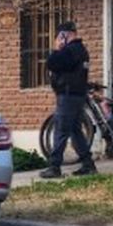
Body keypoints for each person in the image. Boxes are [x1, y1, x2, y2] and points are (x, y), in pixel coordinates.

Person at [40, 21, 96, 179]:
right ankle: (88, 164)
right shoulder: (81, 50)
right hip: (77, 96)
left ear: (64, 35)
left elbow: (51, 63)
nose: (57, 39)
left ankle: (54, 167)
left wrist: (57, 48)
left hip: (68, 95)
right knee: (75, 131)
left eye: (59, 36)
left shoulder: (70, 51)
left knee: (61, 130)